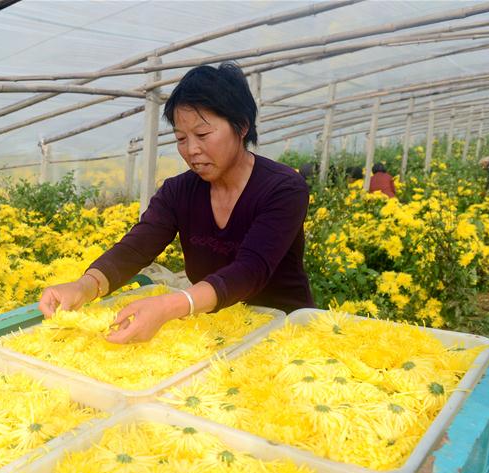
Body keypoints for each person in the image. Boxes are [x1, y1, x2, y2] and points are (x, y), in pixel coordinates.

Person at [38, 62, 314, 344]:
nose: (191, 150)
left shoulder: (283, 188)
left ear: (241, 127)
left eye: (203, 135)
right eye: (181, 138)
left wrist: (170, 306)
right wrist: (85, 287)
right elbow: (136, 248)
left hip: (285, 330)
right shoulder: (178, 191)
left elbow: (250, 270)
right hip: (218, 330)